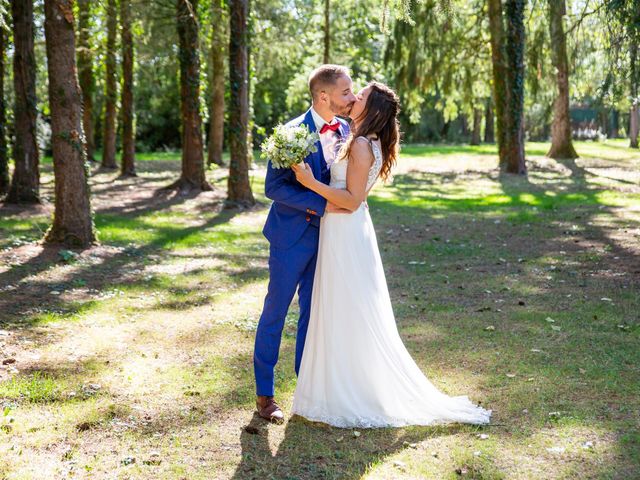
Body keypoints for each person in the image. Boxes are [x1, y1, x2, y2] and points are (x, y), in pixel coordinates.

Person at [290, 81, 492, 427]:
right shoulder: (363, 141)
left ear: (373, 110)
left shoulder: (362, 146)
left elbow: (352, 200)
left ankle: (349, 393)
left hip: (345, 233)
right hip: (342, 229)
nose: (354, 98)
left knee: (346, 309)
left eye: (361, 97)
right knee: (340, 309)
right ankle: (333, 388)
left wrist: (309, 184)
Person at [253, 65, 357, 422]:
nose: (352, 98)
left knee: (314, 317)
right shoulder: (290, 132)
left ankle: (307, 390)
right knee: (276, 312)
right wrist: (321, 204)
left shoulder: (347, 130)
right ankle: (265, 396)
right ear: (323, 96)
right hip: (290, 236)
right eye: (345, 92)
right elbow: (274, 187)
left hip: (331, 239)